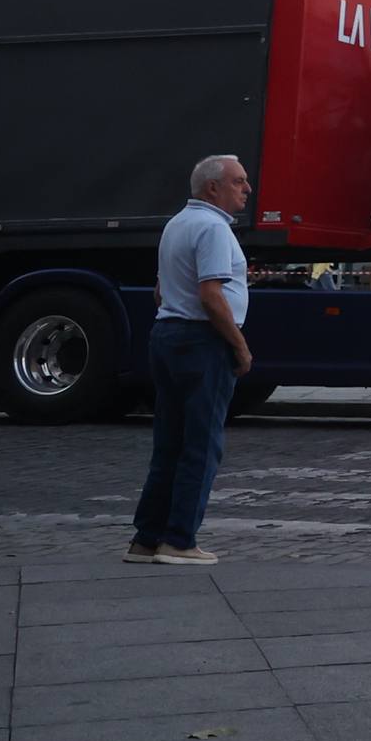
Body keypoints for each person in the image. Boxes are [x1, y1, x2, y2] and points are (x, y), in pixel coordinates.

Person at [127, 155, 255, 566]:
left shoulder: (176, 224)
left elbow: (161, 292)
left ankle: (146, 539)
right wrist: (239, 345)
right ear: (212, 188)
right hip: (202, 340)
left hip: (166, 335)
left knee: (169, 443)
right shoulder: (214, 228)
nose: (247, 189)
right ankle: (180, 539)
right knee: (201, 444)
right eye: (239, 181)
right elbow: (211, 295)